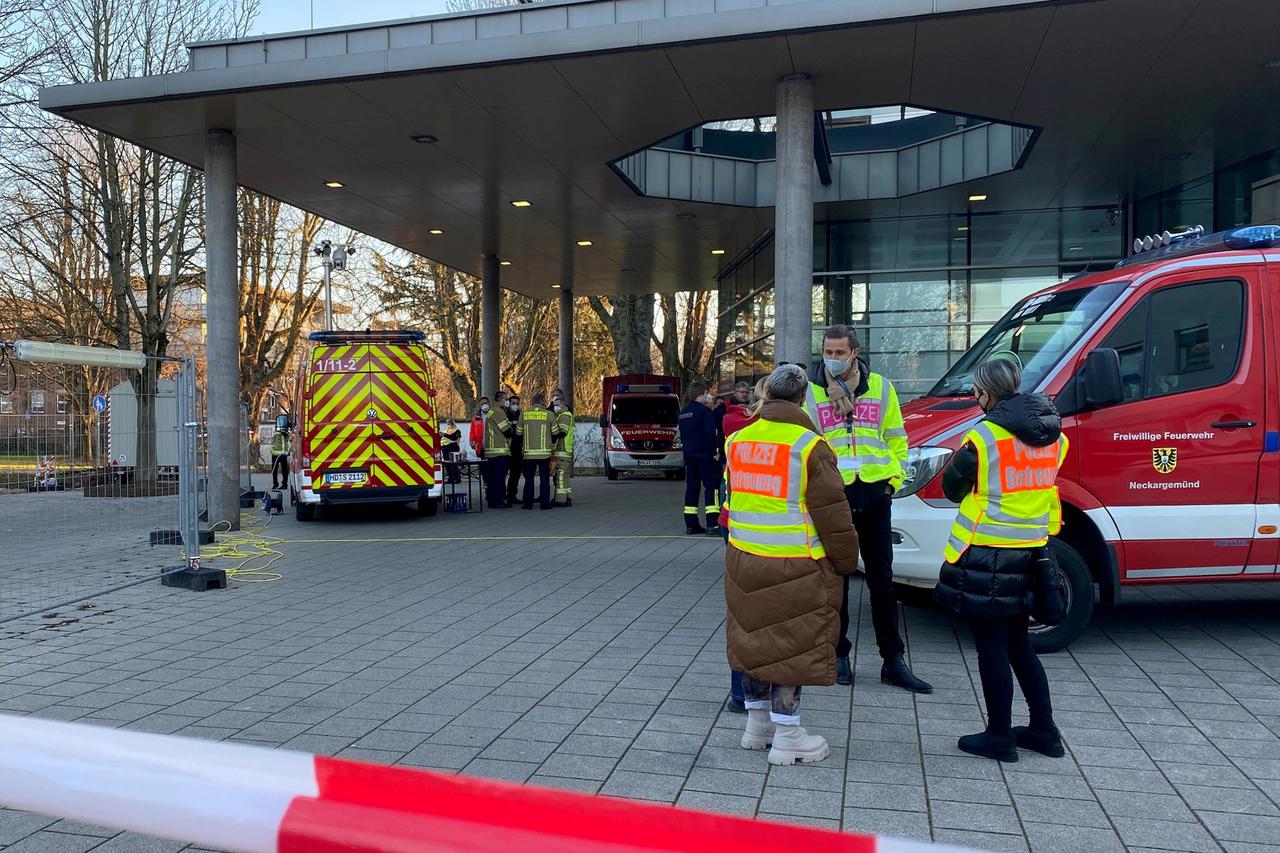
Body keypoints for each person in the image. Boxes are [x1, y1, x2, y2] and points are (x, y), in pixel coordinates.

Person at [725, 364, 860, 766]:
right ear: (803, 399)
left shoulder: (738, 441)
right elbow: (833, 514)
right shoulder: (809, 446)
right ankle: (788, 736)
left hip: (744, 557)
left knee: (752, 640)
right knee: (788, 647)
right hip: (795, 564)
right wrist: (846, 561)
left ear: (767, 394)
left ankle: (757, 727)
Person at [933, 359, 1067, 763]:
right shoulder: (1055, 437)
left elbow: (952, 487)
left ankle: (999, 736)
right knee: (1020, 645)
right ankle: (1044, 731)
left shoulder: (984, 437)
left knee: (991, 647)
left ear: (986, 393)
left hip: (987, 553)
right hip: (1033, 551)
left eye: (977, 392)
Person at [804, 324, 932, 694]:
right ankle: (839, 654)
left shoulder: (881, 387)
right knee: (837, 581)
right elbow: (806, 443)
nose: (832, 359)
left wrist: (892, 482)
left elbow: (897, 439)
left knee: (883, 582)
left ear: (855, 353)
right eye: (828, 352)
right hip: (835, 496)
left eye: (839, 353)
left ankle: (893, 660)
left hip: (875, 494)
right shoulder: (812, 392)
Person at [719, 377, 765, 715]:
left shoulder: (738, 431)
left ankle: (743, 694)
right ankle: (754, 695)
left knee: (743, 611)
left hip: (736, 524)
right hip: (769, 534)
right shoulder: (795, 436)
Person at [678, 381, 721, 535]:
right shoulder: (705, 412)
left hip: (689, 456)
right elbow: (711, 434)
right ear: (700, 395)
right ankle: (713, 524)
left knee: (692, 488)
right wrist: (714, 452)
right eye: (706, 393)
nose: (709, 396)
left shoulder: (683, 413)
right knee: (712, 488)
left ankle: (691, 524)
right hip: (705, 456)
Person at [516, 392, 554, 510]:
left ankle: (528, 504)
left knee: (529, 480)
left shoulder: (524, 414)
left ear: (532, 402)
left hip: (528, 454)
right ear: (543, 402)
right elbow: (556, 432)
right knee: (544, 480)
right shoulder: (549, 414)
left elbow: (518, 432)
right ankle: (545, 504)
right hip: (545, 454)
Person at [482, 392, 514, 509]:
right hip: (499, 451)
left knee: (492, 479)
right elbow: (506, 431)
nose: (507, 401)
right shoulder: (498, 411)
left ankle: (492, 500)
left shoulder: (491, 411)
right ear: (501, 399)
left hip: (491, 451)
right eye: (506, 399)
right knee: (499, 478)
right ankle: (499, 501)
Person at [550, 388, 574, 508]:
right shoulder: (564, 415)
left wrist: (552, 436)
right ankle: (567, 497)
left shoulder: (564, 416)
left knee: (560, 477)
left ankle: (560, 500)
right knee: (565, 477)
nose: (555, 407)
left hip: (562, 450)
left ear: (562, 404)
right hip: (566, 450)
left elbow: (562, 432)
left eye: (556, 405)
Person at [505, 393, 524, 504]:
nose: (515, 405)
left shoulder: (521, 415)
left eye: (517, 403)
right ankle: (502, 495)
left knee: (515, 473)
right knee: (503, 474)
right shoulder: (504, 414)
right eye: (513, 403)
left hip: (517, 448)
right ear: (509, 403)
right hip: (506, 448)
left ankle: (512, 496)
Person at [441, 418, 462, 485]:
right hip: (445, 447)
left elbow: (454, 437)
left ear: (453, 423)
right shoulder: (446, 430)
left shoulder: (457, 430)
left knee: (453, 464)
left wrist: (444, 435)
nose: (448, 424)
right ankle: (450, 478)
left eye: (450, 422)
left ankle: (457, 478)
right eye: (447, 422)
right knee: (447, 464)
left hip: (453, 447)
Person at [270, 421, 290, 490]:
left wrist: (282, 431)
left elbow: (287, 436)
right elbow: (273, 442)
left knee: (284, 470)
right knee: (274, 470)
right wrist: (271, 450)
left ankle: (284, 484)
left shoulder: (286, 431)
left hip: (283, 454)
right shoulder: (275, 432)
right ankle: (275, 484)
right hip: (275, 454)